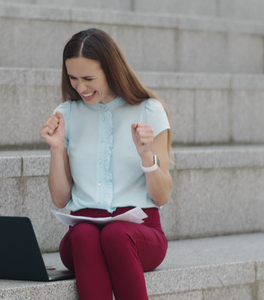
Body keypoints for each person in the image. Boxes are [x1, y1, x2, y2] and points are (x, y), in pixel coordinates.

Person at [39, 28, 173, 300]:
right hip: (83, 236)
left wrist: (146, 156)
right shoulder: (65, 114)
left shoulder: (149, 110)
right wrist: (56, 150)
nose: (80, 87)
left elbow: (162, 195)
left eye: (88, 78)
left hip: (140, 235)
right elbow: (60, 198)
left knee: (115, 235)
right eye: (73, 78)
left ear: (111, 70)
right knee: (85, 234)